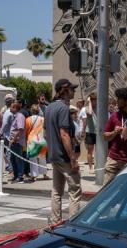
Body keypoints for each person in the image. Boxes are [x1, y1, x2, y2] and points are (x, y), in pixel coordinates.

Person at [45, 79, 82, 224]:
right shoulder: (63, 108)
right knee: (75, 190)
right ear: (65, 90)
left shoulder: (49, 108)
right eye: (72, 89)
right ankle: (74, 222)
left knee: (56, 191)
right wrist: (73, 158)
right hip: (64, 156)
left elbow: (46, 134)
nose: (74, 91)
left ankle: (55, 221)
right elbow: (64, 134)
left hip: (54, 155)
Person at [103, 87, 127, 185]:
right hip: (113, 159)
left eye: (119, 99)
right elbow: (105, 136)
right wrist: (114, 132)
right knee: (106, 191)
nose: (116, 101)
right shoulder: (115, 115)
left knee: (125, 192)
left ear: (126, 101)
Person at [25, 104, 46, 181]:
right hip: (41, 139)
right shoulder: (43, 119)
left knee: (33, 158)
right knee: (42, 158)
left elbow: (26, 131)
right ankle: (44, 174)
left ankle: (34, 175)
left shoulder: (28, 119)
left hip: (32, 140)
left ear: (31, 110)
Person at [8, 99, 27, 183]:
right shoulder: (15, 116)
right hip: (14, 141)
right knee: (13, 159)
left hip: (17, 142)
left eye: (12, 107)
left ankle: (20, 176)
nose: (10, 109)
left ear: (16, 108)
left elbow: (20, 129)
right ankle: (16, 175)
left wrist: (14, 139)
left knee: (18, 159)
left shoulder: (19, 116)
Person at [82, 92, 98, 172]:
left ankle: (97, 166)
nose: (95, 102)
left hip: (98, 132)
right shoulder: (86, 108)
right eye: (93, 100)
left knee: (98, 151)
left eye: (96, 100)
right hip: (90, 132)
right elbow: (90, 113)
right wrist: (89, 102)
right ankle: (90, 168)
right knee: (90, 151)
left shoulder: (99, 108)